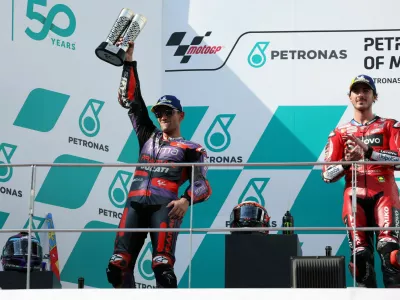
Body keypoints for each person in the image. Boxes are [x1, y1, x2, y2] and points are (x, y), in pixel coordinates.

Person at [106, 41, 212, 288]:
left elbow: (203, 185)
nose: (162, 116)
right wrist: (129, 62)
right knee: (116, 267)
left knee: (163, 268)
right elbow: (133, 100)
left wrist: (186, 200)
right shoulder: (146, 134)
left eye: (168, 112)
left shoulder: (191, 148)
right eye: (159, 112)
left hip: (165, 208)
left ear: (181, 115)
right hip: (134, 204)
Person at [322, 74, 400, 288]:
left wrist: (369, 152)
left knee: (391, 252)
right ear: (350, 96)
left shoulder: (390, 125)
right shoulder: (339, 132)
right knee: (360, 258)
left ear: (375, 96)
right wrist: (347, 162)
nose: (361, 95)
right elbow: (327, 175)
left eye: (366, 90)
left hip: (385, 193)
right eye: (356, 90)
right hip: (354, 196)